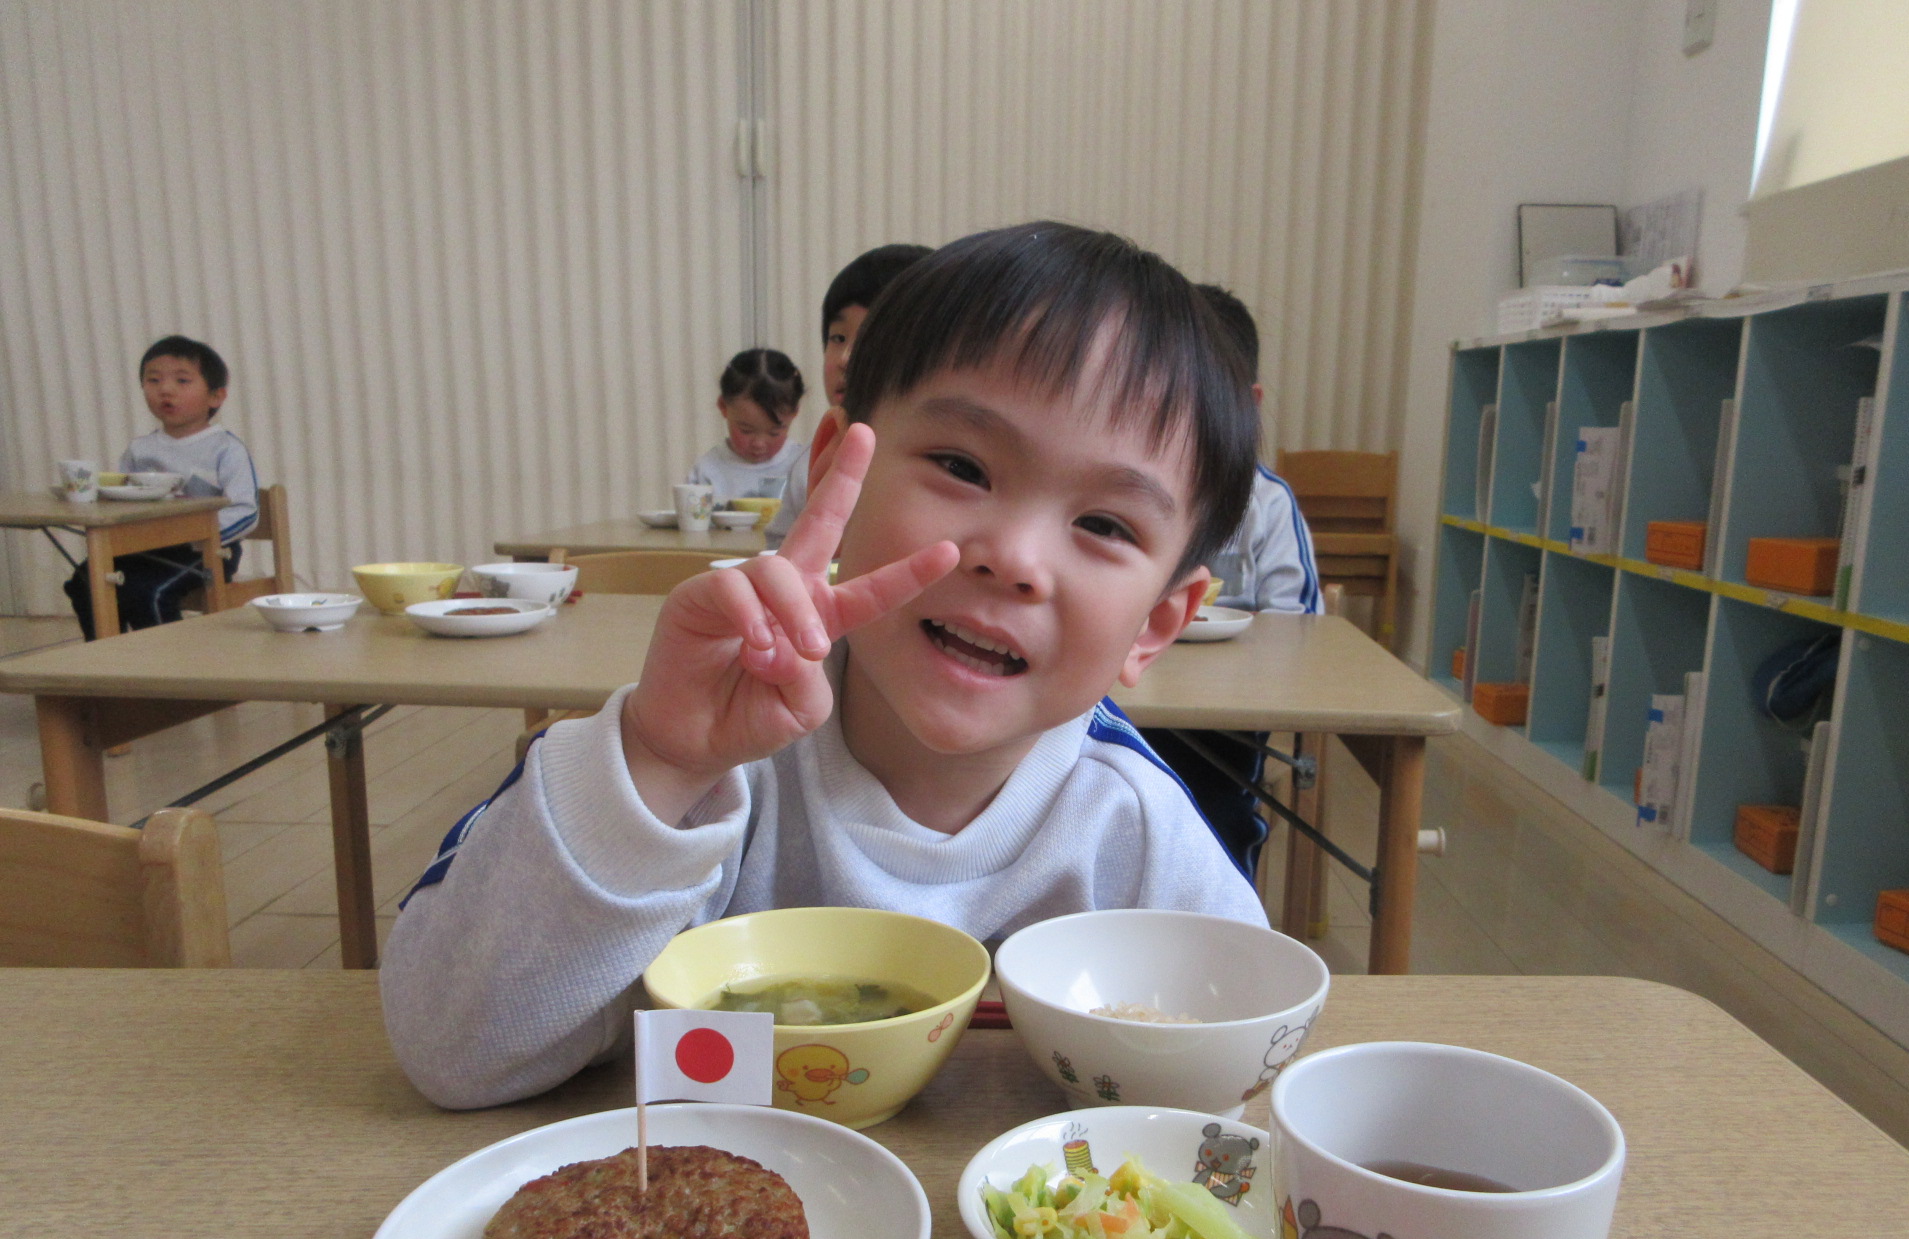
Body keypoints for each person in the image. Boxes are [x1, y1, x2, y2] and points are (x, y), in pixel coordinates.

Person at [382, 221, 1265, 1109]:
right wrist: (659, 758)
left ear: (1157, 623)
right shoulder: (721, 754)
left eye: (1105, 525)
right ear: (836, 468)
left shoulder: (1134, 832)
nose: (1015, 560)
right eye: (962, 467)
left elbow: (1237, 1072)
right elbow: (454, 1050)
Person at [1141, 285, 1321, 879]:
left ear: (1250, 404)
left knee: (1217, 814)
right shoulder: (1131, 493)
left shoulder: (1269, 502)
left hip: (1228, 713)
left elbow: (1301, 628)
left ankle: (1220, 902)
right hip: (1128, 692)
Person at [63, 335, 258, 637]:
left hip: (206, 552)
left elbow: (246, 511)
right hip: (145, 548)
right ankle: (107, 654)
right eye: (153, 380)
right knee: (84, 580)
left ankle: (170, 663)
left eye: (182, 381)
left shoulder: (225, 449)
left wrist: (196, 537)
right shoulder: (140, 449)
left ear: (216, 397)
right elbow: (123, 503)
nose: (165, 390)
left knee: (147, 592)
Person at [764, 242, 933, 548]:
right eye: (838, 338)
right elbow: (780, 548)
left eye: (873, 340)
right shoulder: (814, 459)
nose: (846, 358)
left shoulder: (944, 467)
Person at [685, 348, 808, 505]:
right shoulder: (706, 473)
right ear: (723, 406)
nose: (759, 444)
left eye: (774, 433)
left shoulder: (802, 467)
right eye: (746, 431)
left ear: (795, 412)